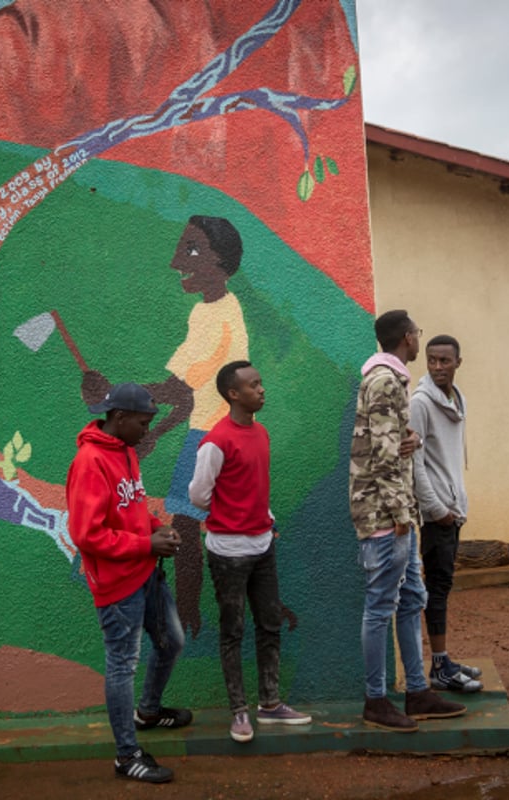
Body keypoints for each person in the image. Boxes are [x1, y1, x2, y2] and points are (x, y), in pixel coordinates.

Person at [82, 215, 248, 638]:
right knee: (193, 524)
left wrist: (112, 397)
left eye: (191, 250)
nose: (177, 261)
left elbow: (178, 389)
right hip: (204, 428)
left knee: (188, 528)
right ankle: (193, 613)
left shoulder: (218, 317)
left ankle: (190, 613)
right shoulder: (210, 311)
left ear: (221, 260)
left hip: (208, 436)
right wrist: (156, 430)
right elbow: (194, 394)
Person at [66, 382, 191, 784]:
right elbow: (86, 534)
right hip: (118, 585)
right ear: (119, 418)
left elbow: (131, 506)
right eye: (143, 422)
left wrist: (158, 529)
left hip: (146, 572)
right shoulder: (90, 462)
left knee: (172, 641)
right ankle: (126, 755)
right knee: (122, 665)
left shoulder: (126, 452)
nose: (147, 430)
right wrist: (144, 543)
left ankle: (149, 711)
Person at [349, 310, 466, 733]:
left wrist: (409, 439)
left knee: (411, 599)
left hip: (400, 515)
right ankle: (376, 700)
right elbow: (382, 458)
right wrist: (401, 516)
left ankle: (417, 692)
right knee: (380, 606)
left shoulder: (391, 380)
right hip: (385, 517)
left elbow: (392, 442)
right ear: (406, 338)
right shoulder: (384, 381)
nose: (419, 338)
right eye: (416, 333)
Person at [188, 360, 311, 743]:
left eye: (261, 383)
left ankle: (270, 705)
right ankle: (240, 713)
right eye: (253, 385)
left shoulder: (262, 434)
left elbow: (255, 486)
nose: (261, 389)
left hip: (262, 546)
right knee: (232, 631)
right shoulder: (215, 442)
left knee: (270, 624)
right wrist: (230, 516)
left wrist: (265, 519)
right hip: (228, 552)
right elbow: (198, 495)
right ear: (233, 394)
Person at [409, 334, 483, 694]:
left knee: (444, 585)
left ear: (458, 362)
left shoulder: (458, 399)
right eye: (432, 360)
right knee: (436, 588)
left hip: (453, 509)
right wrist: (436, 510)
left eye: (445, 361)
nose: (438, 367)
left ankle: (444, 659)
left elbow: (451, 457)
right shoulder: (420, 403)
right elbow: (415, 462)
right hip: (438, 513)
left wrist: (456, 505)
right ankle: (439, 667)